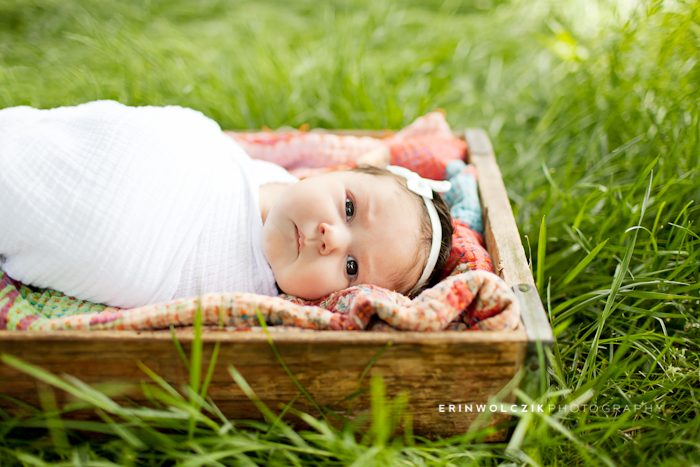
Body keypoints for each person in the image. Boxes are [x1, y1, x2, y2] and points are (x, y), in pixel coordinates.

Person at [0, 100, 453, 308]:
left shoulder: (267, 304)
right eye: (349, 209)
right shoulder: (277, 174)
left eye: (351, 267)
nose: (331, 236)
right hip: (156, 156)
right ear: (328, 174)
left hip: (138, 246)